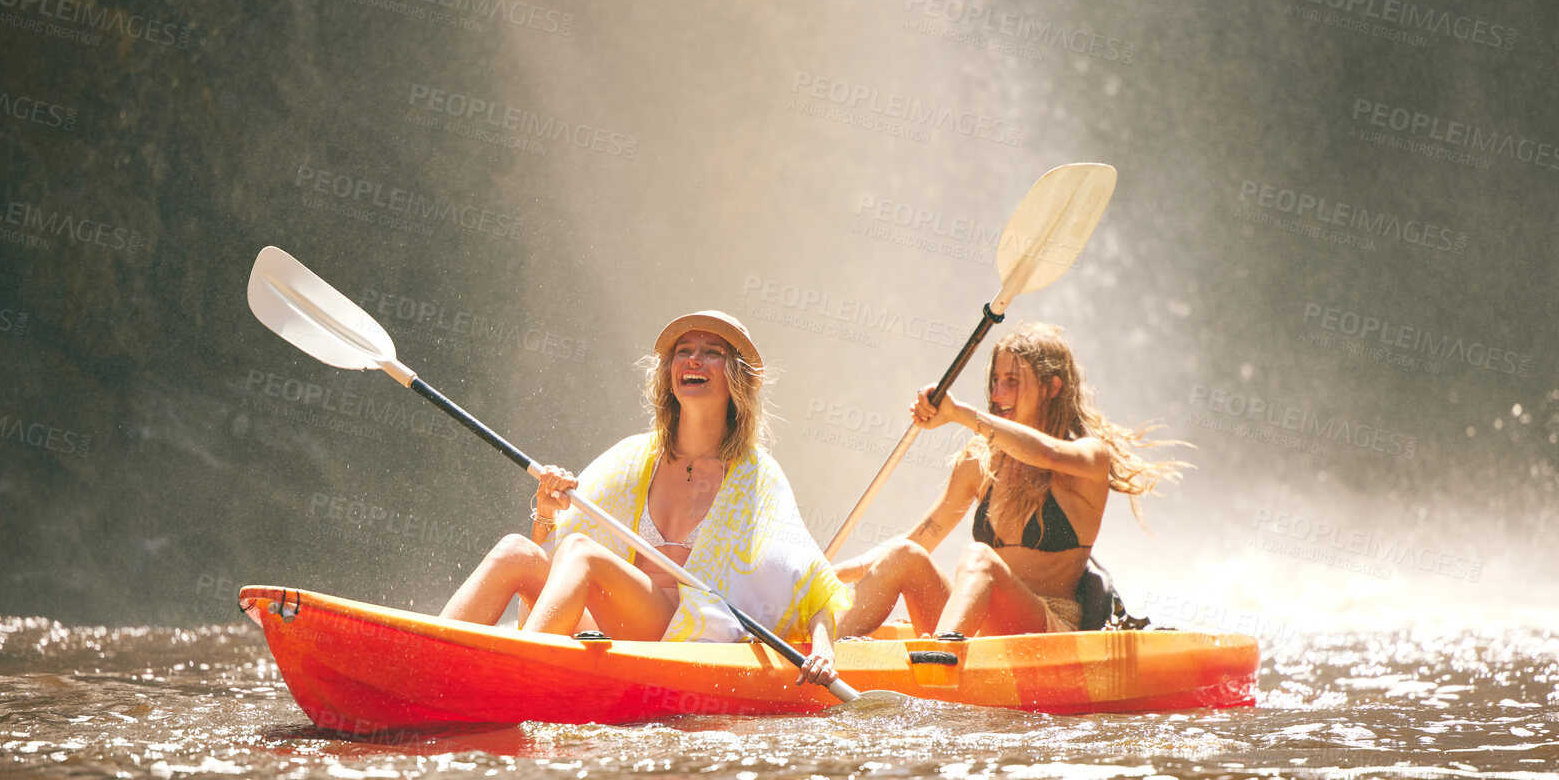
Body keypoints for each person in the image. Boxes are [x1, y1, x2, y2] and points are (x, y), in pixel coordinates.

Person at [441, 311, 848, 687]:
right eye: (683, 352)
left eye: (712, 353)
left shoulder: (756, 476)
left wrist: (824, 652)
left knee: (582, 551)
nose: (693, 360)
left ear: (737, 377)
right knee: (517, 550)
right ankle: (429, 657)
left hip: (681, 639)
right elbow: (549, 559)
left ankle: (514, 678)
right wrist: (546, 515)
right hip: (610, 625)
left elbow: (812, 584)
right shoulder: (632, 457)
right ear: (669, 373)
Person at [834, 322, 1188, 638]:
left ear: (1052, 388)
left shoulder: (1087, 458)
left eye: (1012, 381)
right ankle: (823, 655)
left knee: (979, 558)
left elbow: (1045, 454)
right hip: (974, 631)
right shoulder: (979, 461)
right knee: (904, 555)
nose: (998, 394)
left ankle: (940, 661)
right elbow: (923, 537)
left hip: (1048, 629)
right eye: (995, 381)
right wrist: (827, 573)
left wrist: (958, 414)